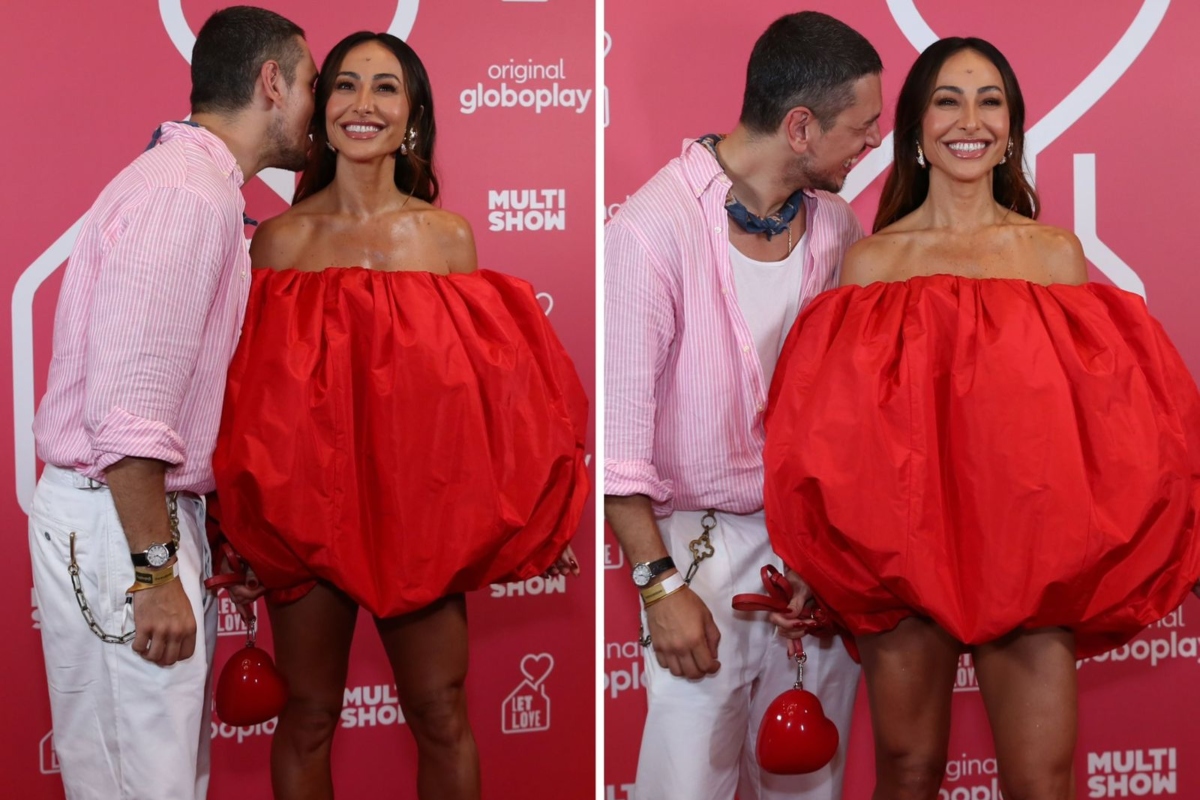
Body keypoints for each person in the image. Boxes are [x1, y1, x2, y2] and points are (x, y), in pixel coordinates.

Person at [764, 37, 1200, 800]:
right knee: (908, 771)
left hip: (1030, 556)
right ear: (915, 129)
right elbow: (834, 436)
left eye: (990, 99)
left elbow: (1117, 427)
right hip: (901, 556)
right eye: (947, 99)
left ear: (1012, 128)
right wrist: (814, 556)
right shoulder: (871, 266)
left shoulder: (1054, 257)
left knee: (1041, 780)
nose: (971, 119)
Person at [209, 31, 589, 800]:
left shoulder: (446, 240)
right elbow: (245, 400)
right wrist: (236, 525)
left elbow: (490, 398)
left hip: (421, 522)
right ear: (319, 109)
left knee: (441, 711)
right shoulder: (277, 243)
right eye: (345, 85)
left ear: (411, 114)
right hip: (300, 514)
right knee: (309, 715)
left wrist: (537, 515)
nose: (364, 104)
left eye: (386, 88)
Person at [27, 7, 316, 799]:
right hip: (124, 524)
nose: (318, 108)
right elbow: (130, 412)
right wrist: (155, 570)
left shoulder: (192, 184)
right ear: (271, 83)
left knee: (153, 777)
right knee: (140, 782)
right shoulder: (187, 196)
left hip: (134, 517)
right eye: (312, 84)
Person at [604, 11, 882, 800]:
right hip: (695, 557)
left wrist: (826, 562)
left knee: (808, 787)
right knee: (684, 786)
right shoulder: (650, 230)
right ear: (800, 126)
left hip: (813, 559)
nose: (869, 147)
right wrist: (659, 587)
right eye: (860, 130)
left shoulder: (838, 229)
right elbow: (618, 448)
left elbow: (847, 416)